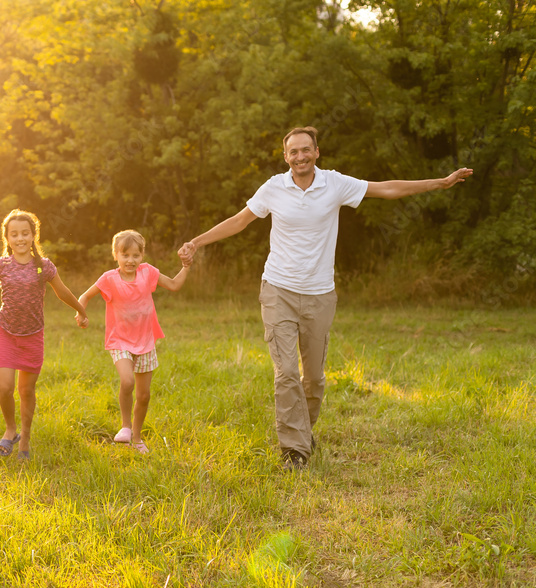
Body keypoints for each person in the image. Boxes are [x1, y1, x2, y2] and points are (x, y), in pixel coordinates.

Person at [178, 126, 472, 470]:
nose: (300, 156)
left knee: (314, 378)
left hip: (319, 295)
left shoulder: (334, 184)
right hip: (278, 290)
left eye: (306, 150)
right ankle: (294, 450)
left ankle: (303, 431)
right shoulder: (274, 187)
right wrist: (197, 242)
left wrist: (439, 182)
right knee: (286, 370)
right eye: (293, 152)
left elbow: (386, 189)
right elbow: (240, 221)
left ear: (316, 152)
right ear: (285, 156)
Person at [0, 210, 89, 460]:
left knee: (26, 391)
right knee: (5, 388)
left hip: (33, 335)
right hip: (6, 332)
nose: (20, 238)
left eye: (25, 233)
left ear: (33, 236)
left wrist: (81, 311)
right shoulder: (1, 266)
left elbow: (63, 292)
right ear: (7, 239)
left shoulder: (44, 267)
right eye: (14, 234)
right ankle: (11, 429)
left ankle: (25, 436)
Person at [78, 230, 192, 455]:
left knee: (144, 395)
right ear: (116, 255)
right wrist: (81, 314)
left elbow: (174, 285)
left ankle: (137, 438)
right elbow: (84, 296)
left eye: (135, 255)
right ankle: (126, 427)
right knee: (127, 381)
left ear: (142, 256)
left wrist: (186, 267)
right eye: (125, 255)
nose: (130, 260)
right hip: (119, 340)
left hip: (145, 341)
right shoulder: (109, 279)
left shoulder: (147, 272)